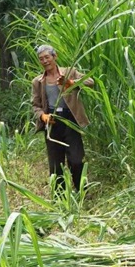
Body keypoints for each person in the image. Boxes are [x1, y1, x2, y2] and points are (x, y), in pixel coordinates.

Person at [32, 45, 94, 193]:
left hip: (70, 121)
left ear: (55, 56)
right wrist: (43, 116)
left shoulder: (69, 72)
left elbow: (90, 82)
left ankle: (81, 192)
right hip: (52, 123)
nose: (45, 61)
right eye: (41, 59)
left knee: (76, 160)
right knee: (55, 164)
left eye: (47, 57)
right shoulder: (38, 81)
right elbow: (35, 105)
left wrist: (71, 83)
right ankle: (60, 198)